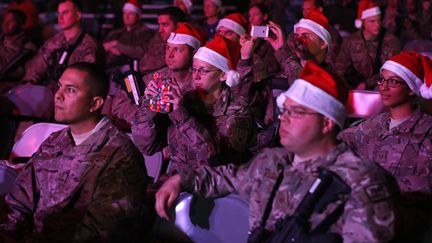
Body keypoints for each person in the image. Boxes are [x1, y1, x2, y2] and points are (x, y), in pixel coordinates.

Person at [155, 61, 397, 242]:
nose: (285, 119)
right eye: (285, 111)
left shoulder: (359, 180)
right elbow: (227, 176)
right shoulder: (273, 160)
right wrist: (180, 179)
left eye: (297, 112)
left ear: (327, 123)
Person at [0, 62, 148, 242]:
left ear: (94, 104)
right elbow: (19, 203)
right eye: (59, 87)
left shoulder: (121, 154)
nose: (58, 96)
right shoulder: (54, 142)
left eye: (70, 90)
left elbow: (102, 230)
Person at [338, 51, 432, 241]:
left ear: (412, 89)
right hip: (361, 216)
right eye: (382, 80)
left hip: (406, 226)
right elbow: (335, 145)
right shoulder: (373, 124)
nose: (383, 87)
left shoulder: (427, 132)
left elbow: (424, 190)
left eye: (394, 81)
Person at [133, 34, 255, 171]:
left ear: (223, 75)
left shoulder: (238, 110)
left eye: (203, 71)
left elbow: (215, 161)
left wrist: (180, 114)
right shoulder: (185, 98)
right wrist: (149, 105)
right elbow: (145, 145)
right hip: (176, 178)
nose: (195, 76)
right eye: (194, 69)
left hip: (211, 185)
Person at [21, 0, 102, 88]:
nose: (60, 17)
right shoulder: (53, 42)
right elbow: (35, 69)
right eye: (59, 13)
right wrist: (28, 85)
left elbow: (86, 80)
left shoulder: (88, 45)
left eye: (65, 13)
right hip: (46, 92)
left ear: (78, 15)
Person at [335, 0, 401, 90]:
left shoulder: (391, 41)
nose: (377, 25)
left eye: (379, 20)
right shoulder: (350, 42)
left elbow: (392, 71)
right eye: (372, 21)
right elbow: (340, 70)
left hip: (382, 88)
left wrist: (367, 83)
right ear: (363, 23)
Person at [286, 0, 342, 69]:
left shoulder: (330, 34)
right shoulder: (295, 32)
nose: (305, 12)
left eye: (308, 9)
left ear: (320, 9)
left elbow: (328, 61)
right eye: (303, 9)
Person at [103, 0, 153, 69]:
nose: (126, 16)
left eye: (130, 13)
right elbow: (103, 47)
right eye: (125, 13)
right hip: (108, 68)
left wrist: (117, 45)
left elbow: (141, 52)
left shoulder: (145, 32)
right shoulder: (115, 33)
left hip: (130, 70)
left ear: (138, 16)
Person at [138, 6, 186, 75]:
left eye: (165, 25)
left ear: (179, 26)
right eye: (159, 25)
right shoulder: (158, 39)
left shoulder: (185, 48)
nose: (160, 30)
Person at [0, 9, 35, 92]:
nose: (6, 24)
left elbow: (28, 75)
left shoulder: (27, 47)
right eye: (4, 20)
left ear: (21, 25)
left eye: (11, 21)